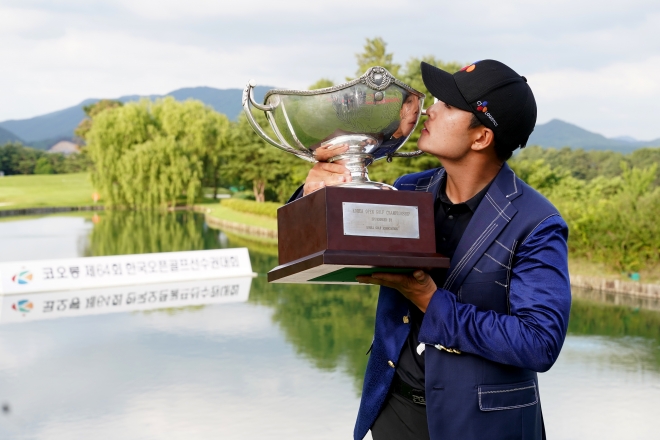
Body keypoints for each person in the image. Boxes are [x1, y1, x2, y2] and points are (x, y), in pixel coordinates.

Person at [300, 59, 571, 440]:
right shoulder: (410, 190)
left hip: (484, 426)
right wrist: (315, 193)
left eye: (447, 104)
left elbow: (539, 343)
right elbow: (327, 249)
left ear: (481, 137)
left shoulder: (537, 223)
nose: (430, 107)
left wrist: (430, 299)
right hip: (394, 412)